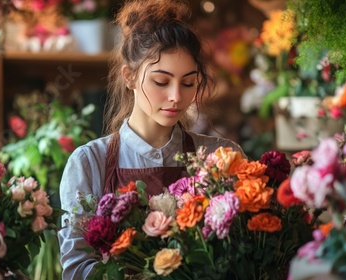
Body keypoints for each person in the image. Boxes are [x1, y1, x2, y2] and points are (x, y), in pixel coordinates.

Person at [58, 0, 245, 278]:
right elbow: (77, 268)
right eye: (161, 81)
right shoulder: (89, 163)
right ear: (130, 77)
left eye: (188, 83)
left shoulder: (220, 156)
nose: (176, 96)